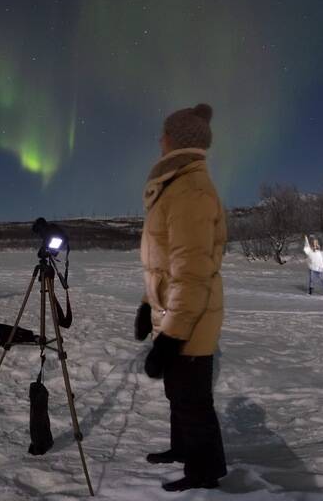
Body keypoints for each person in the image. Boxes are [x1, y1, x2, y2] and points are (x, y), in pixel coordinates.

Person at [134, 103, 228, 493]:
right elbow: (164, 262)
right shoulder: (176, 186)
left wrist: (172, 337)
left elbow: (191, 272)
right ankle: (181, 449)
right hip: (173, 309)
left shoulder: (190, 190)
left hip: (190, 317)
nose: (159, 139)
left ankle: (205, 472)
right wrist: (146, 303)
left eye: (164, 133)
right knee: (179, 392)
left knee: (193, 399)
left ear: (177, 139)